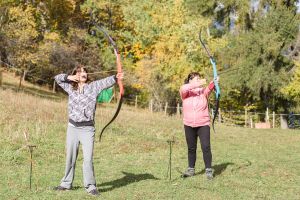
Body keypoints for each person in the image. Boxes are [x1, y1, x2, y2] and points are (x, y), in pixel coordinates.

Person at [53, 65, 123, 196]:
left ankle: (90, 186)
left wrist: (116, 77)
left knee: (88, 159)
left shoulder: (93, 87)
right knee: (70, 157)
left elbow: (105, 82)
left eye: (85, 71)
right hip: (72, 128)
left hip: (87, 129)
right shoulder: (70, 87)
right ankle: (66, 184)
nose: (83, 73)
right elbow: (57, 78)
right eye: (80, 71)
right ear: (75, 74)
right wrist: (69, 77)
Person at [179, 72, 219, 180]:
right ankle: (191, 170)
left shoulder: (203, 92)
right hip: (189, 124)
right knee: (191, 148)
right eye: (196, 79)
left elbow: (210, 88)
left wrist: (214, 82)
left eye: (199, 78)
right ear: (190, 81)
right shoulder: (185, 92)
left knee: (206, 147)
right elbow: (183, 89)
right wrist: (199, 83)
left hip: (203, 124)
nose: (199, 80)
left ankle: (208, 171)